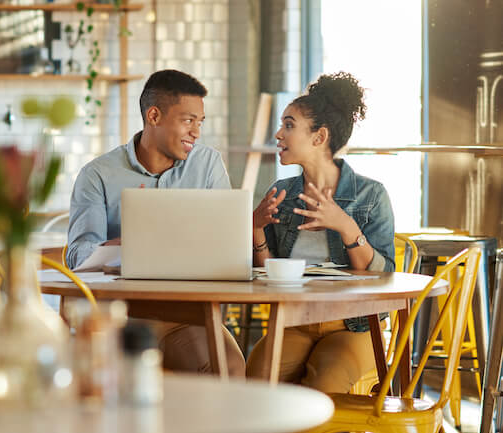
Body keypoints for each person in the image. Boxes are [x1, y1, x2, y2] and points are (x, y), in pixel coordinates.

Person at [67, 69, 245, 376]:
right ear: (154, 115)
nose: (196, 132)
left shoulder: (208, 164)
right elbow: (77, 255)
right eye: (188, 120)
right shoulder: (97, 175)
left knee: (229, 367)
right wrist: (128, 245)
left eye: (199, 122)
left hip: (190, 312)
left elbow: (225, 242)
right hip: (124, 313)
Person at [245, 72, 395, 392]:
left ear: (319, 136)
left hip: (354, 328)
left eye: (288, 125)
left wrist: (345, 225)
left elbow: (385, 276)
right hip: (295, 323)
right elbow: (265, 273)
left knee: (324, 388)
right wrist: (255, 228)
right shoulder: (281, 193)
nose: (278, 134)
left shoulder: (370, 195)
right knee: (253, 385)